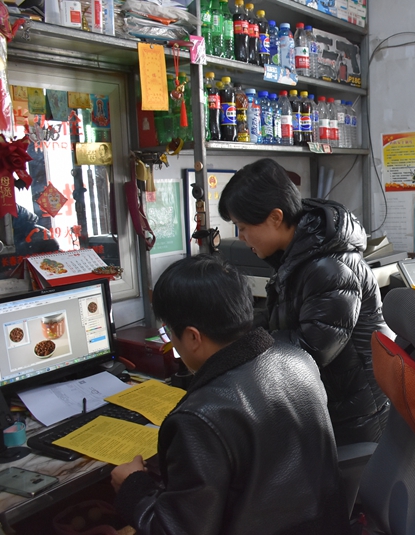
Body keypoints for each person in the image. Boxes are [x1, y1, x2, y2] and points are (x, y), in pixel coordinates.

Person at [111, 255, 349, 535]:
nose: (172, 341)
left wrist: (134, 488)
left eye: (169, 332)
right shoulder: (299, 360)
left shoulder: (200, 418)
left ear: (193, 337)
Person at [218, 158, 390, 446]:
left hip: (354, 414)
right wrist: (235, 334)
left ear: (275, 217)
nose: (241, 237)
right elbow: (283, 318)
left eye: (243, 227)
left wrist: (243, 351)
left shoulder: (329, 268)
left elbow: (312, 350)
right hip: (330, 401)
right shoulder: (299, 255)